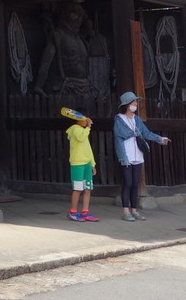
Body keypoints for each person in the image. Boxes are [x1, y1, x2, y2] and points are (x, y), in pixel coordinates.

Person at [112, 91, 170, 221]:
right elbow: (118, 140)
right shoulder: (119, 120)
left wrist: (161, 139)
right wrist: (123, 158)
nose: (135, 104)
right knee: (127, 183)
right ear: (126, 104)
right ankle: (126, 212)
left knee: (135, 184)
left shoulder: (137, 119)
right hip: (126, 155)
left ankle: (135, 210)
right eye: (133, 102)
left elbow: (147, 133)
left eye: (136, 102)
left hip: (138, 155)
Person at [65, 114, 100, 222]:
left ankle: (85, 212)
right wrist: (88, 127)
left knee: (87, 188)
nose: (87, 120)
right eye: (85, 118)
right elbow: (81, 137)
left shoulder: (84, 131)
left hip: (87, 163)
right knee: (78, 189)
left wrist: (93, 164)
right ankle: (73, 212)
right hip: (77, 164)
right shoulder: (75, 129)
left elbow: (88, 150)